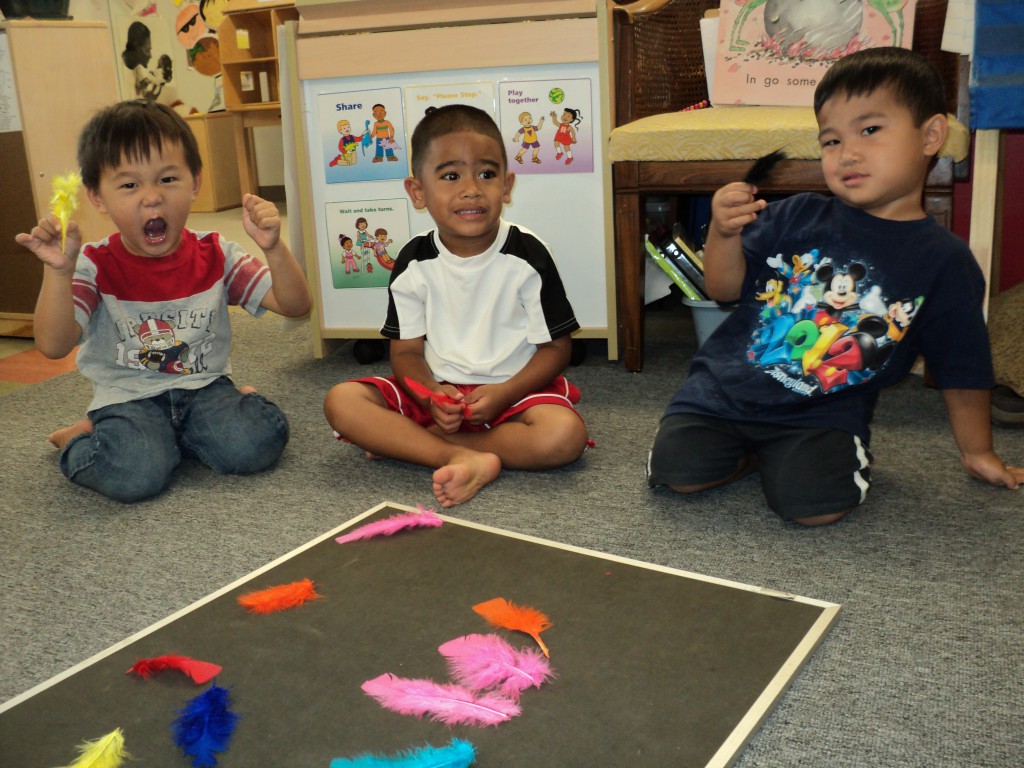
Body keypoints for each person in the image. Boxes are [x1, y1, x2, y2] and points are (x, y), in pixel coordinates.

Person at [647, 47, 1024, 526]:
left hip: (823, 413)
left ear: (931, 136)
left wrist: (978, 453)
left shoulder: (944, 261)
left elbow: (962, 368)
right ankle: (750, 457)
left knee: (815, 509)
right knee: (677, 475)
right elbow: (723, 290)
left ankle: (789, 459)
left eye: (870, 130)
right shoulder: (795, 213)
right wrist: (722, 234)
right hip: (721, 394)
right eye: (831, 140)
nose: (847, 153)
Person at [16, 99, 311, 503]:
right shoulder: (93, 265)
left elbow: (296, 306)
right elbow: (53, 345)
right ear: (98, 198)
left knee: (254, 445)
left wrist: (274, 248)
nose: (152, 198)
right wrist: (58, 272)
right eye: (129, 185)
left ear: (195, 183)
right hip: (127, 396)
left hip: (204, 387)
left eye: (168, 179)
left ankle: (227, 411)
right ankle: (77, 437)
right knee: (136, 474)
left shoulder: (217, 253)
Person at [323, 104, 590, 507]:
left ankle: (418, 444)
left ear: (507, 186)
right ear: (418, 192)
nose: (471, 189)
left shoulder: (528, 254)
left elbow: (556, 348)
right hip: (436, 394)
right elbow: (406, 353)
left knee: (564, 437)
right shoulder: (412, 261)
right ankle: (461, 455)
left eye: (487, 174)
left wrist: (503, 393)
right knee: (341, 401)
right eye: (451, 176)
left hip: (514, 393)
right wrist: (430, 395)